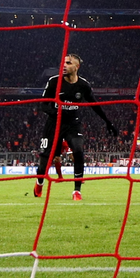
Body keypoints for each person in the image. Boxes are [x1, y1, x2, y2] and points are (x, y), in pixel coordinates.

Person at [34, 54, 119, 201]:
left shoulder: (83, 85)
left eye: (68, 63)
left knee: (78, 151)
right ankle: (39, 182)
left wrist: (108, 121)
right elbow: (42, 104)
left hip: (73, 124)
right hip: (53, 124)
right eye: (63, 63)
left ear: (76, 67)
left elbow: (94, 104)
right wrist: (55, 112)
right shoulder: (54, 82)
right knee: (45, 160)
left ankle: (77, 191)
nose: (64, 65)